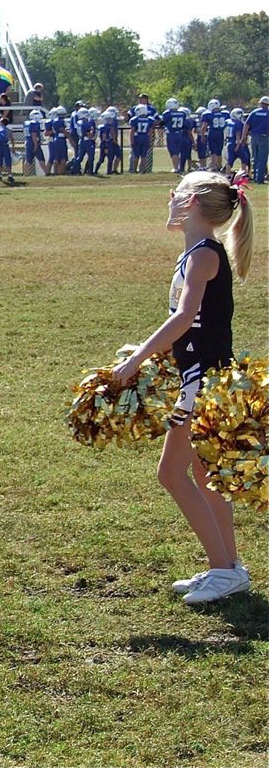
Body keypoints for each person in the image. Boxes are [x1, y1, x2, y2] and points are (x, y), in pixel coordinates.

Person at [111, 172, 254, 605]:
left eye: (174, 194)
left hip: (202, 381)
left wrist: (138, 361)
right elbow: (194, 324)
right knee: (202, 476)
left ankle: (224, 570)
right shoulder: (196, 252)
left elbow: (182, 317)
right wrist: (148, 349)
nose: (168, 200)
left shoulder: (203, 255)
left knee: (173, 474)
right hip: (198, 375)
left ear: (190, 202)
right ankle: (229, 568)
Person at [240, 96, 269, 184]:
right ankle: (259, 179)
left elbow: (246, 125)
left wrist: (243, 137)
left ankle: (255, 176)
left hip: (254, 137)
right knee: (262, 158)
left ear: (260, 103)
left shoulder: (254, 112)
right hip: (264, 137)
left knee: (254, 158)